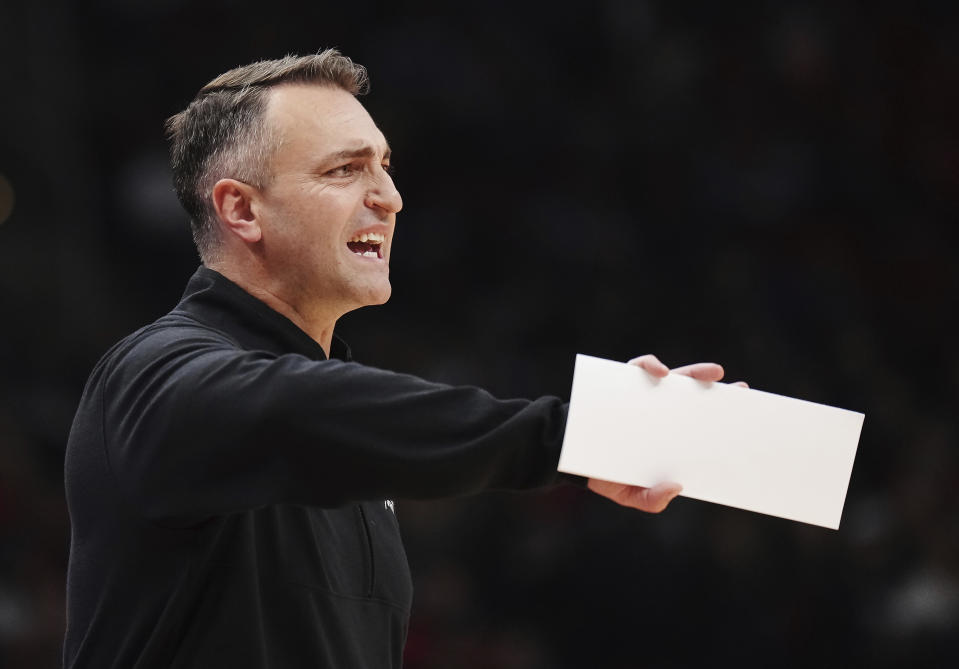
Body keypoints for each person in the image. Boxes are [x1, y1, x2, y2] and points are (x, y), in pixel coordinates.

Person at [63, 50, 732, 668]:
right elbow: (292, 407)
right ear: (241, 208)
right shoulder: (149, 376)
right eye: (345, 169)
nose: (389, 196)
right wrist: (575, 433)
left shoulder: (341, 433)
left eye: (385, 165)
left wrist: (631, 431)